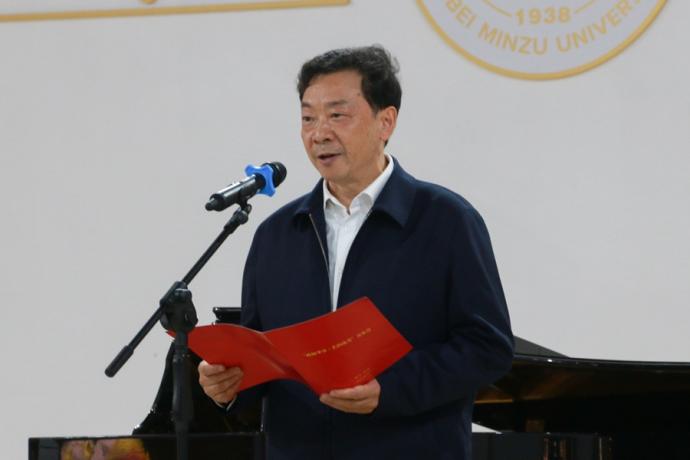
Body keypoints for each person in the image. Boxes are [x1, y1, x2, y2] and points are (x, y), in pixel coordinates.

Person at [198, 45, 513, 460]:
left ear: (386, 121)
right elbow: (262, 358)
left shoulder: (445, 220)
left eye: (337, 115)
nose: (319, 133)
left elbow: (487, 347)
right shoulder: (277, 234)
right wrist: (228, 385)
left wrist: (390, 389)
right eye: (308, 118)